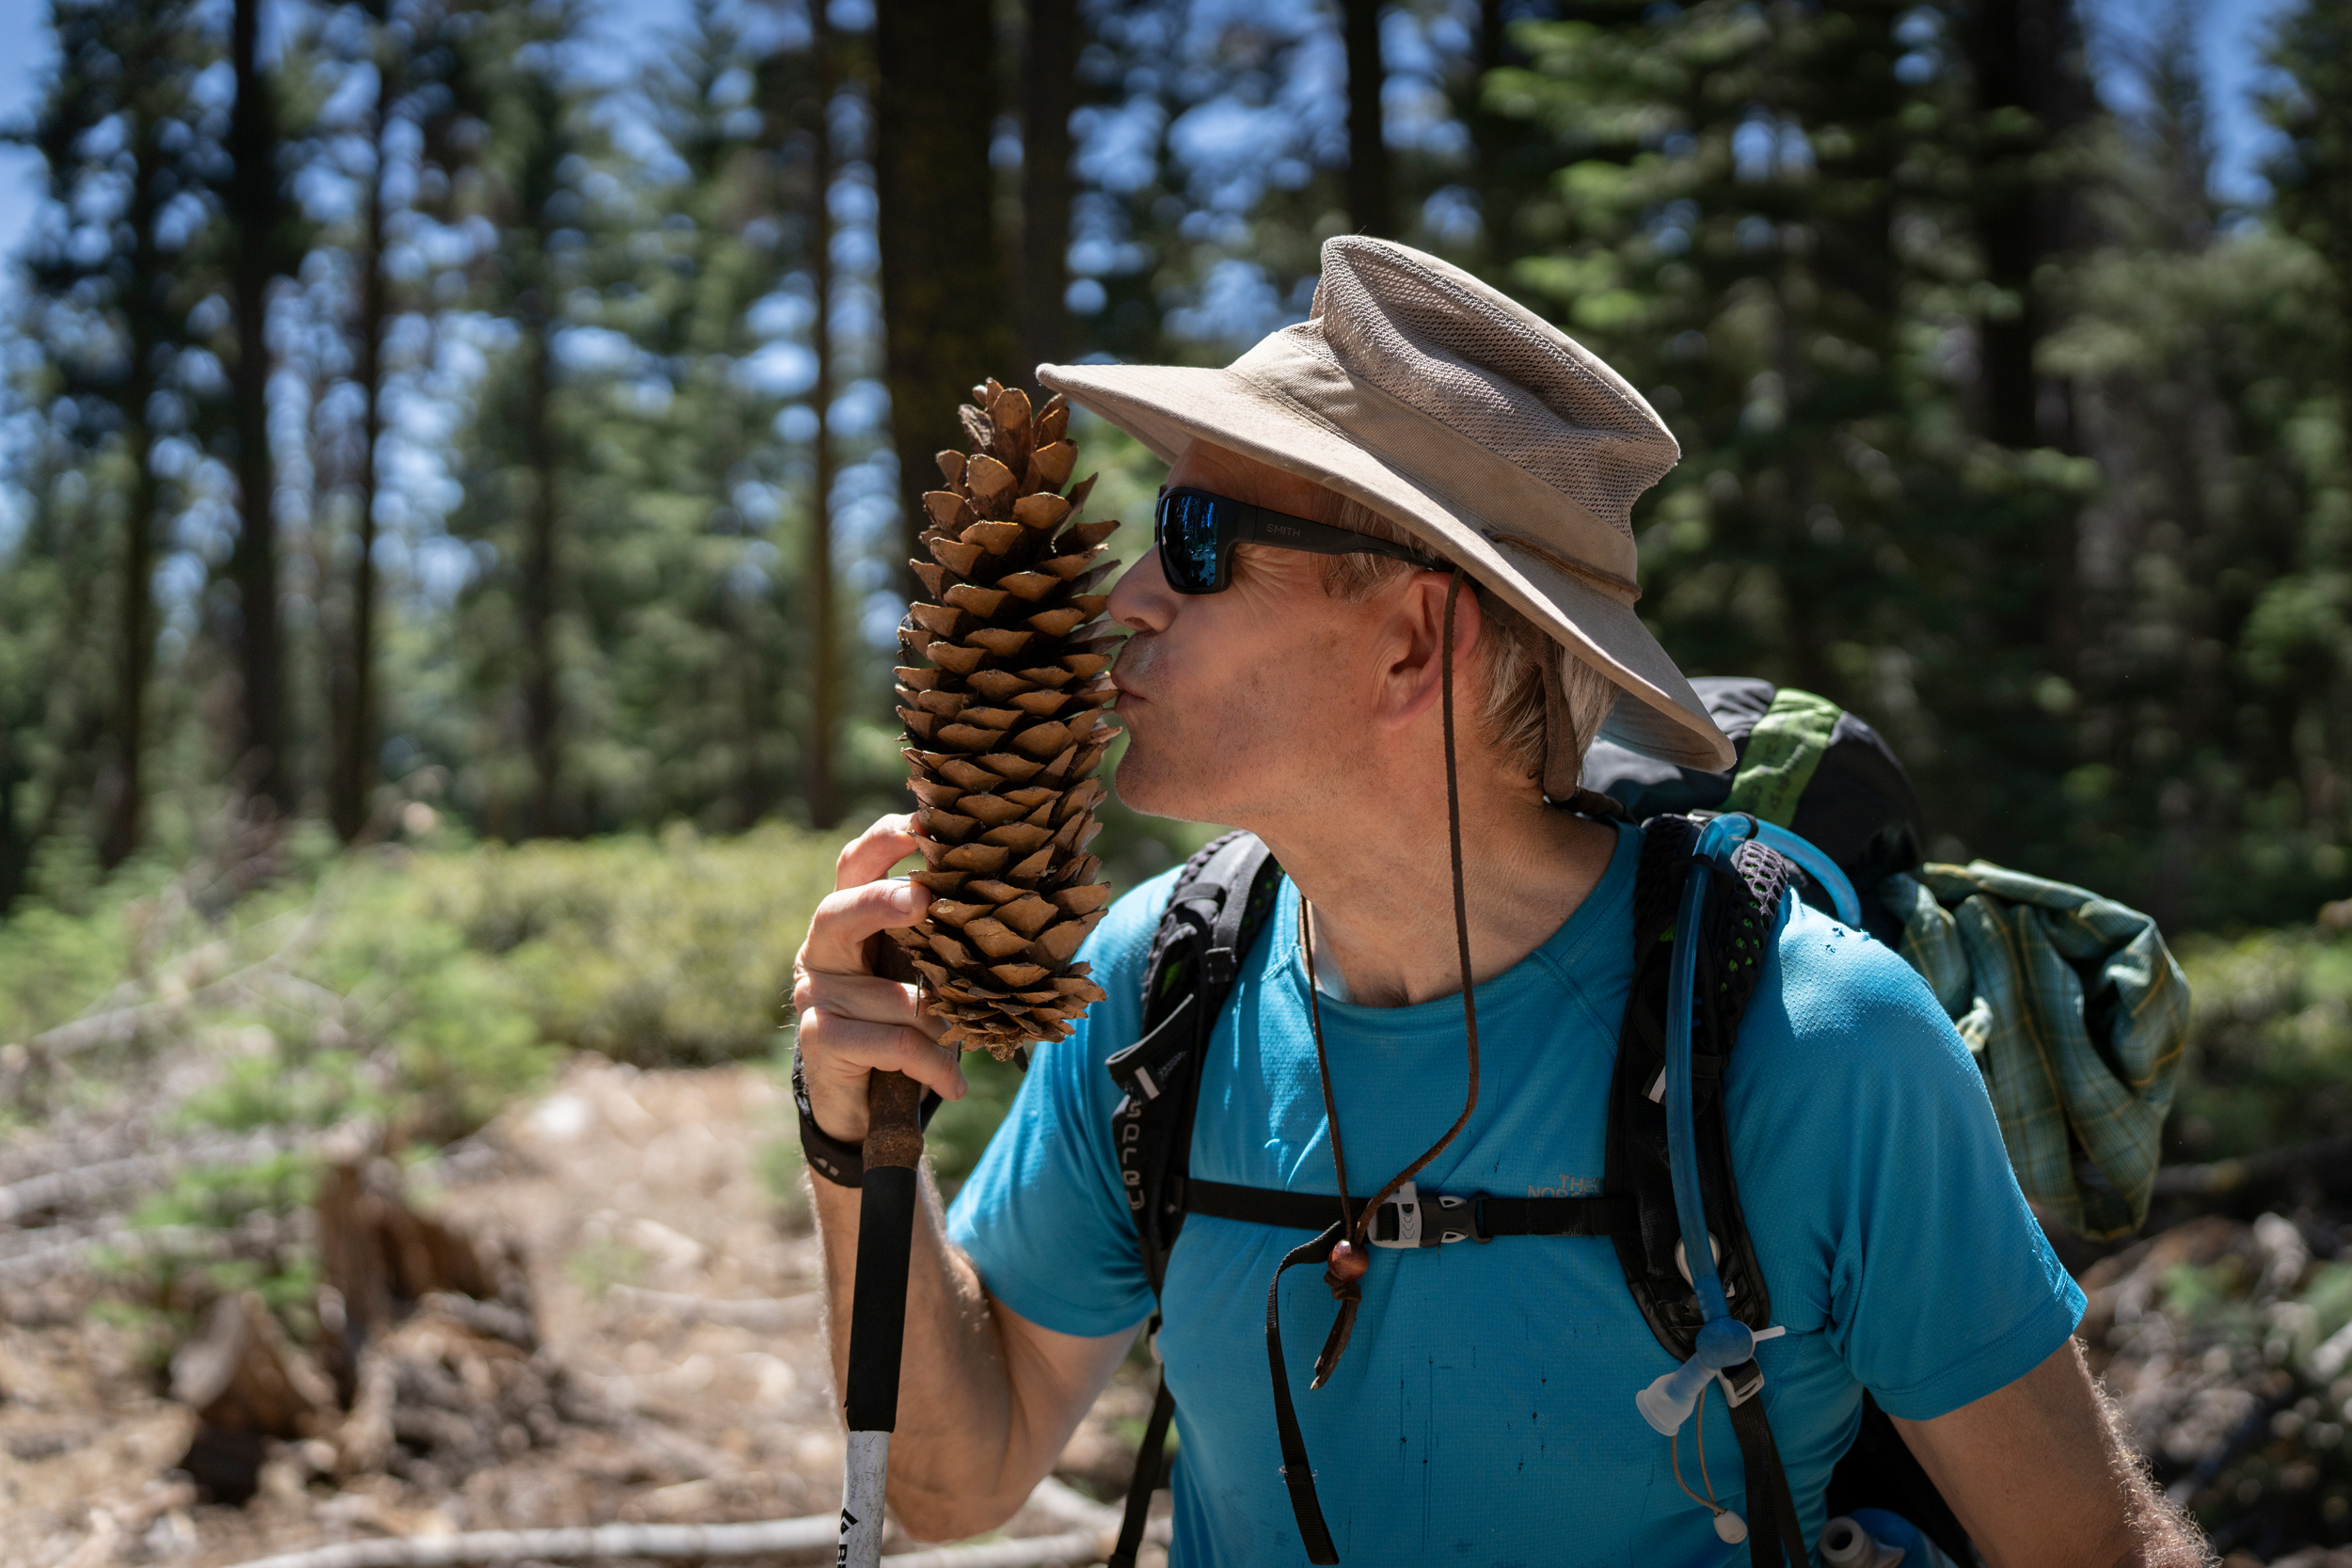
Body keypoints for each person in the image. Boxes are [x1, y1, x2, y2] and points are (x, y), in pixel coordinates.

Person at [791, 236, 2207, 1566]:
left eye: (1198, 538)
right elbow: (947, 1479)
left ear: (1415, 641)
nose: (1129, 598)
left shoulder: (1814, 1043)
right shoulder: (1160, 988)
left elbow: (2094, 1549)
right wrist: (857, 1140)